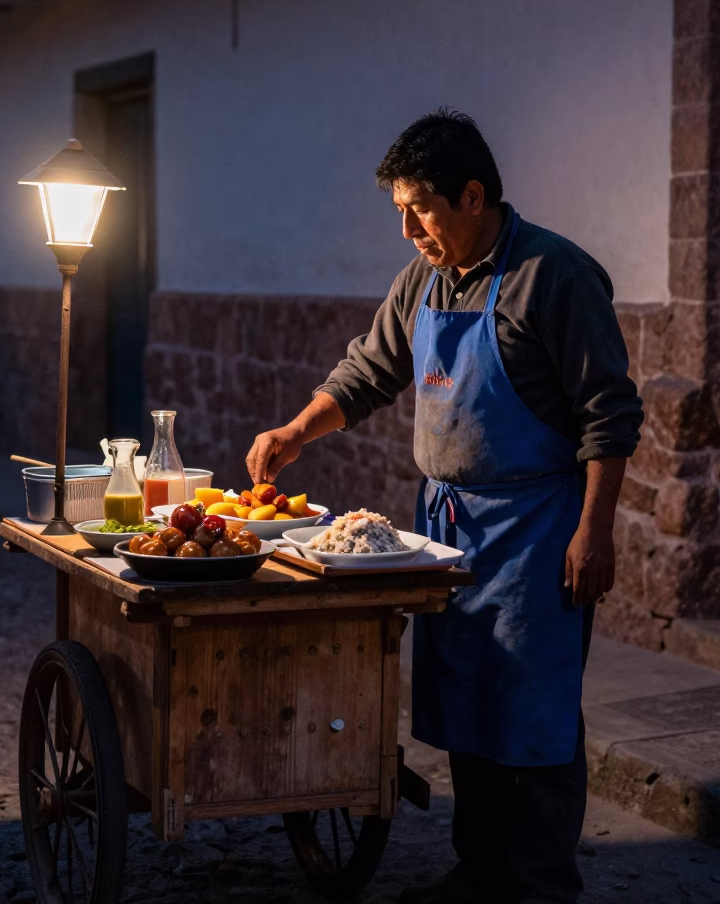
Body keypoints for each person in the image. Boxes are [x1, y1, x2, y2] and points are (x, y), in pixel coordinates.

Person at [247, 109, 643, 904]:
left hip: (538, 532)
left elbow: (609, 413)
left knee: (531, 711)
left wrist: (593, 532)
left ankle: (537, 884)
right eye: (398, 210)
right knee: (468, 699)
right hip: (448, 531)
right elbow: (369, 372)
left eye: (419, 208)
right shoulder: (421, 283)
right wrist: (296, 430)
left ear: (472, 196)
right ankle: (481, 870)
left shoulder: (554, 275)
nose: (408, 230)